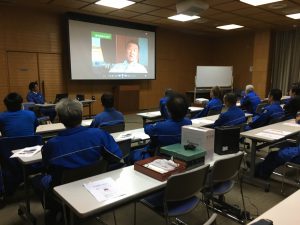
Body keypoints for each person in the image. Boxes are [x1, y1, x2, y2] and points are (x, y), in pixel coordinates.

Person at [33, 99, 122, 213]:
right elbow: (117, 156)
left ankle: (57, 210)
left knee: (36, 181)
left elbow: (47, 169)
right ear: (81, 115)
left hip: (65, 189)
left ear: (59, 119)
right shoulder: (99, 134)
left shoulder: (52, 145)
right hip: (95, 184)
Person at [129, 93, 192, 163]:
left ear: (168, 110)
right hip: (179, 157)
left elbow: (146, 129)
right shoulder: (188, 122)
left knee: (132, 154)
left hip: (159, 158)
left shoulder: (160, 127)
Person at [255, 114, 300, 179]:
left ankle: (260, 174)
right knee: (278, 151)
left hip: (297, 155)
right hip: (297, 151)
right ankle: (259, 168)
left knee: (274, 154)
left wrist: (282, 150)